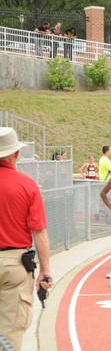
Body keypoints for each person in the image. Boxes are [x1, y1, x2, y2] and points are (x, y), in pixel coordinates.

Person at [0, 128, 53, 351]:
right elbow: (39, 232)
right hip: (14, 265)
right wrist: (45, 271)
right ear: (16, 154)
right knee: (9, 334)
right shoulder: (27, 185)